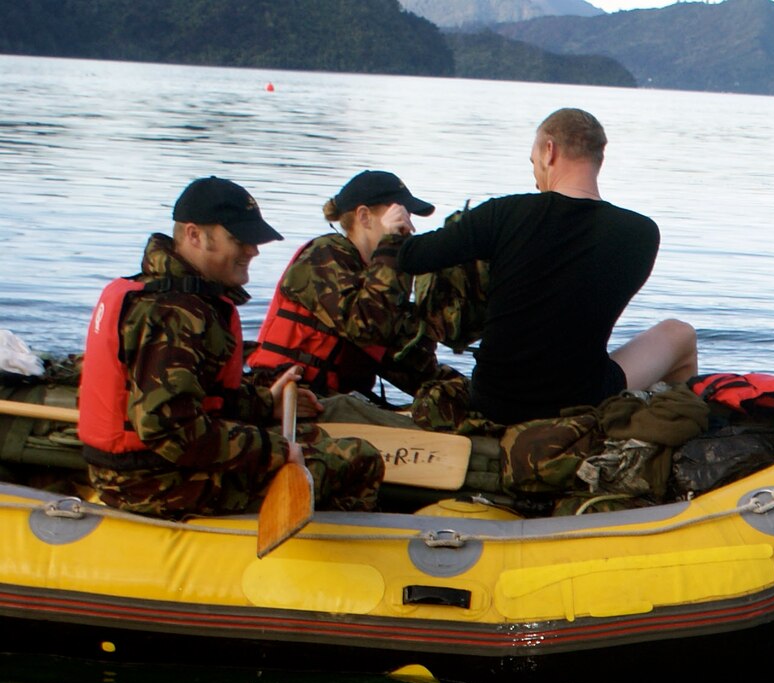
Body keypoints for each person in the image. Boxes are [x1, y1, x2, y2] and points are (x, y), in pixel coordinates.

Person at [77, 177, 384, 518]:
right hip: (152, 482)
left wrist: (264, 404)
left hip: (149, 470)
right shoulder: (172, 312)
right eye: (240, 240)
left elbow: (201, 396)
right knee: (359, 459)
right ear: (194, 235)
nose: (253, 250)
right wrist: (275, 451)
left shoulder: (175, 298)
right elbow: (170, 430)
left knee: (310, 435)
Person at [391, 108, 697, 426]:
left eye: (533, 162)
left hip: (493, 399)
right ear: (598, 157)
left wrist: (393, 231)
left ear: (549, 151)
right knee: (681, 334)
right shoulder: (641, 234)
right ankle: (686, 436)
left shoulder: (502, 214)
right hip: (580, 400)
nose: (535, 176)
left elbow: (413, 257)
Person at [244, 169, 466, 414]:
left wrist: (467, 390)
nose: (409, 228)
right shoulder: (323, 256)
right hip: (288, 399)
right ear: (364, 216)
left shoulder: (378, 275)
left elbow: (407, 361)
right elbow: (368, 327)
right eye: (400, 217)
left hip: (327, 401)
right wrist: (392, 244)